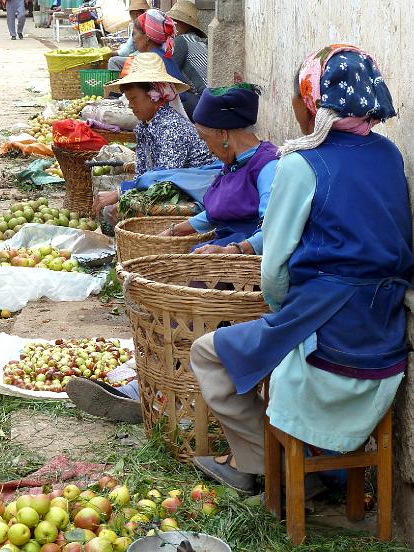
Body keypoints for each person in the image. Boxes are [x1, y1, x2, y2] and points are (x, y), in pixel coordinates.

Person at [189, 44, 414, 495]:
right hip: (385, 334)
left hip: (328, 336)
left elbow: (273, 272)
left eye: (295, 97)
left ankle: (263, 467)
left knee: (208, 354)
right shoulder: (389, 157)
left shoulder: (301, 164)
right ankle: (314, 466)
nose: (292, 108)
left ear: (312, 105)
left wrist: (281, 316)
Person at [92, 52, 212, 224]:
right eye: (128, 100)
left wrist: (120, 193)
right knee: (113, 210)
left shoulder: (171, 126)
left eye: (134, 98)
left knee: (118, 211)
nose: (131, 106)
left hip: (194, 196)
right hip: (170, 191)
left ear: (154, 95)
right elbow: (142, 172)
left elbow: (165, 180)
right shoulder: (145, 126)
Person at [159, 84, 278, 256]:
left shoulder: (268, 166)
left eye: (205, 139)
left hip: (251, 260)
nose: (208, 150)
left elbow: (274, 230)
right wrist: (172, 231)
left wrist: (231, 251)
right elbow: (217, 212)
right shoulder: (234, 163)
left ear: (223, 134)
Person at [167, 0, 208, 118]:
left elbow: (168, 75)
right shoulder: (196, 40)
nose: (172, 25)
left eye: (176, 22)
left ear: (186, 24)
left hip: (202, 102)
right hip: (209, 99)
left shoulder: (182, 41)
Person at [107, 0, 150, 70]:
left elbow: (126, 51)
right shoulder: (149, 22)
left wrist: (112, 53)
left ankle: (118, 82)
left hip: (144, 60)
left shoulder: (139, 25)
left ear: (135, 13)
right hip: (148, 58)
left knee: (113, 61)